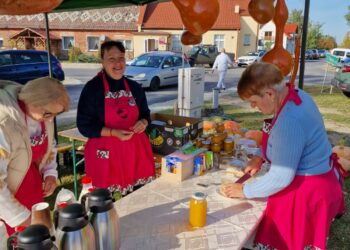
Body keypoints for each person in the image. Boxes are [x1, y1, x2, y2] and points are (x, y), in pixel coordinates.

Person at [223, 62, 346, 249]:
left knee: (287, 242)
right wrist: (260, 156)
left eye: (254, 101)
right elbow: (279, 139)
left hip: (308, 192)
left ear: (270, 93)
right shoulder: (297, 95)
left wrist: (245, 191)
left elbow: (281, 177)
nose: (253, 106)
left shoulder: (289, 121)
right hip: (323, 180)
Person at [77, 40, 155, 195]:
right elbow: (84, 125)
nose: (117, 63)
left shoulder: (135, 87)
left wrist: (144, 122)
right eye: (111, 59)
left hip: (134, 152)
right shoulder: (93, 89)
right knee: (105, 202)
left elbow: (146, 113)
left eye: (121, 58)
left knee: (138, 198)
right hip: (105, 154)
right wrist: (113, 132)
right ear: (102, 61)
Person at [0, 77, 70, 236]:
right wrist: (19, 218)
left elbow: (49, 145)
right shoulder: (4, 123)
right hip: (8, 201)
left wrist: (50, 173)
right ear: (32, 100)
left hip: (33, 189)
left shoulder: (43, 114)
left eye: (55, 114)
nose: (51, 119)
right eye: (48, 113)